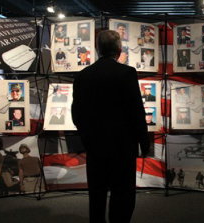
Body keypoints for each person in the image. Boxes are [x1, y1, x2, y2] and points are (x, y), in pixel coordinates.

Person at [72, 30, 150, 223]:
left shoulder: (83, 76)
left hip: (95, 147)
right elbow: (136, 112)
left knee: (96, 196)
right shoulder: (127, 73)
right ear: (119, 49)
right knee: (122, 197)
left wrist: (86, 137)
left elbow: (76, 114)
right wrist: (144, 142)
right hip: (123, 148)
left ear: (97, 49)